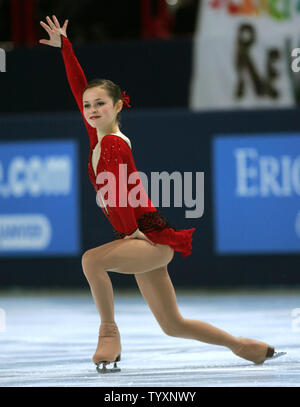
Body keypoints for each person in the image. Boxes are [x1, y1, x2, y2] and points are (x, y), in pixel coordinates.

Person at [39, 15, 285, 373]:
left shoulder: (111, 144)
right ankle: (245, 346)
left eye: (99, 105)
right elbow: (79, 86)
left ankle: (108, 334)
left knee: (91, 260)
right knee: (173, 325)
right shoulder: (97, 136)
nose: (91, 110)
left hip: (146, 236)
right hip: (146, 236)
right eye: (87, 106)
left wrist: (130, 232)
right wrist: (67, 49)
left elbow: (121, 196)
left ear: (118, 106)